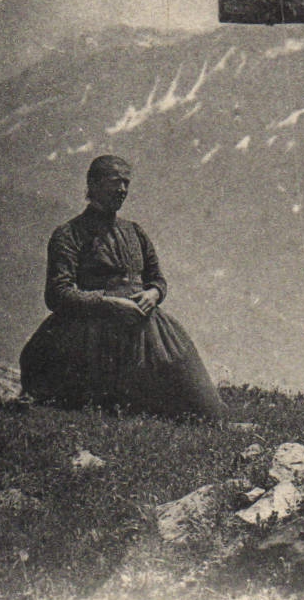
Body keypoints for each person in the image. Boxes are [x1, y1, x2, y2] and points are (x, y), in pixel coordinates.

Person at [20, 155, 227, 421]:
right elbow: (57, 294)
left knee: (203, 406)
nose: (122, 190)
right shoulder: (68, 234)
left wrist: (154, 294)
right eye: (114, 182)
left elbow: (157, 279)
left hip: (147, 330)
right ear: (92, 185)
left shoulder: (135, 232)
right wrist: (108, 303)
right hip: (88, 333)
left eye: (126, 183)